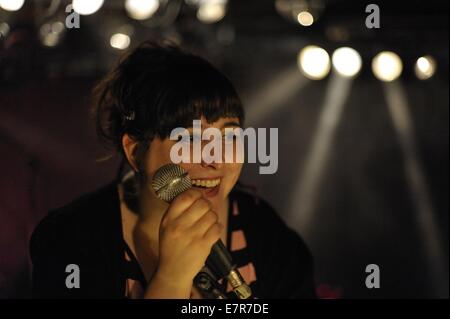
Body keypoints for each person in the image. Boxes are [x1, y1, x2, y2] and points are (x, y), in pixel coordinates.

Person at [29, 39, 316, 299]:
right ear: (135, 151)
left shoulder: (265, 232)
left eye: (229, 136)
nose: (215, 159)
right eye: (190, 139)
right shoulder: (72, 238)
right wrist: (172, 277)